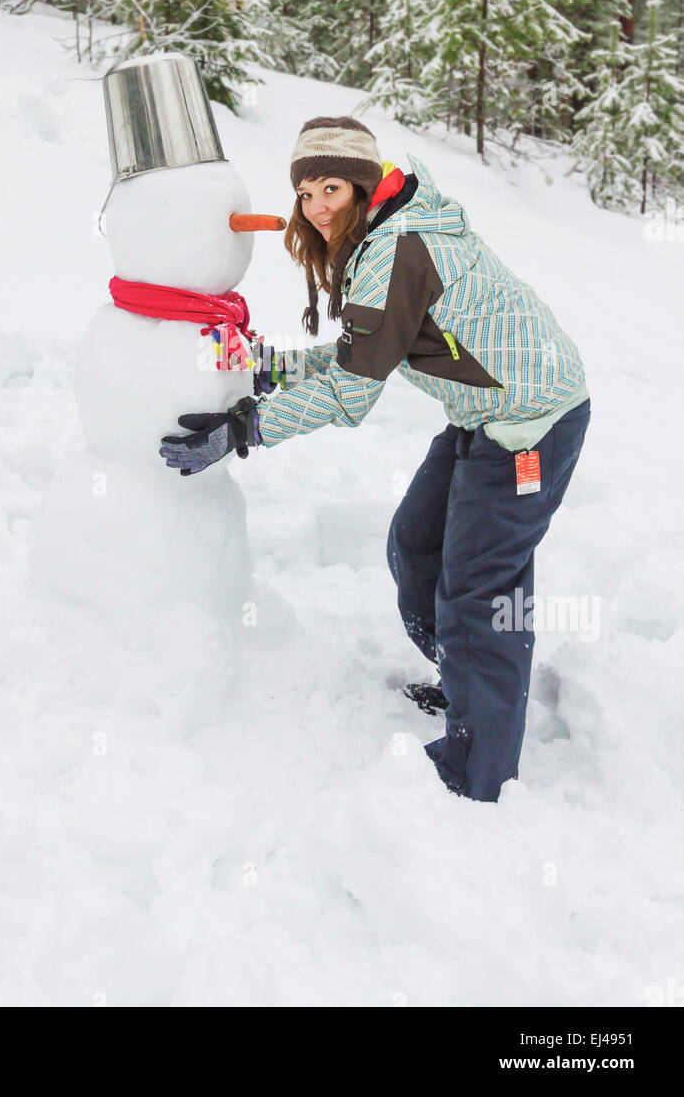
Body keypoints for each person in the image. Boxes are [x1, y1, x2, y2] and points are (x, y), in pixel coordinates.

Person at [159, 116, 591, 803]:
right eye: (304, 192)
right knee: (417, 546)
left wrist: (244, 430)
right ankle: (468, 682)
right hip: (484, 416)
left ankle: (476, 770)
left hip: (529, 428)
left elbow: (353, 393)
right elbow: (370, 349)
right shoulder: (387, 232)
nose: (317, 206)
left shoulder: (396, 248)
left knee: (480, 591)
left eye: (331, 186)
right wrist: (274, 370)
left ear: (362, 184)